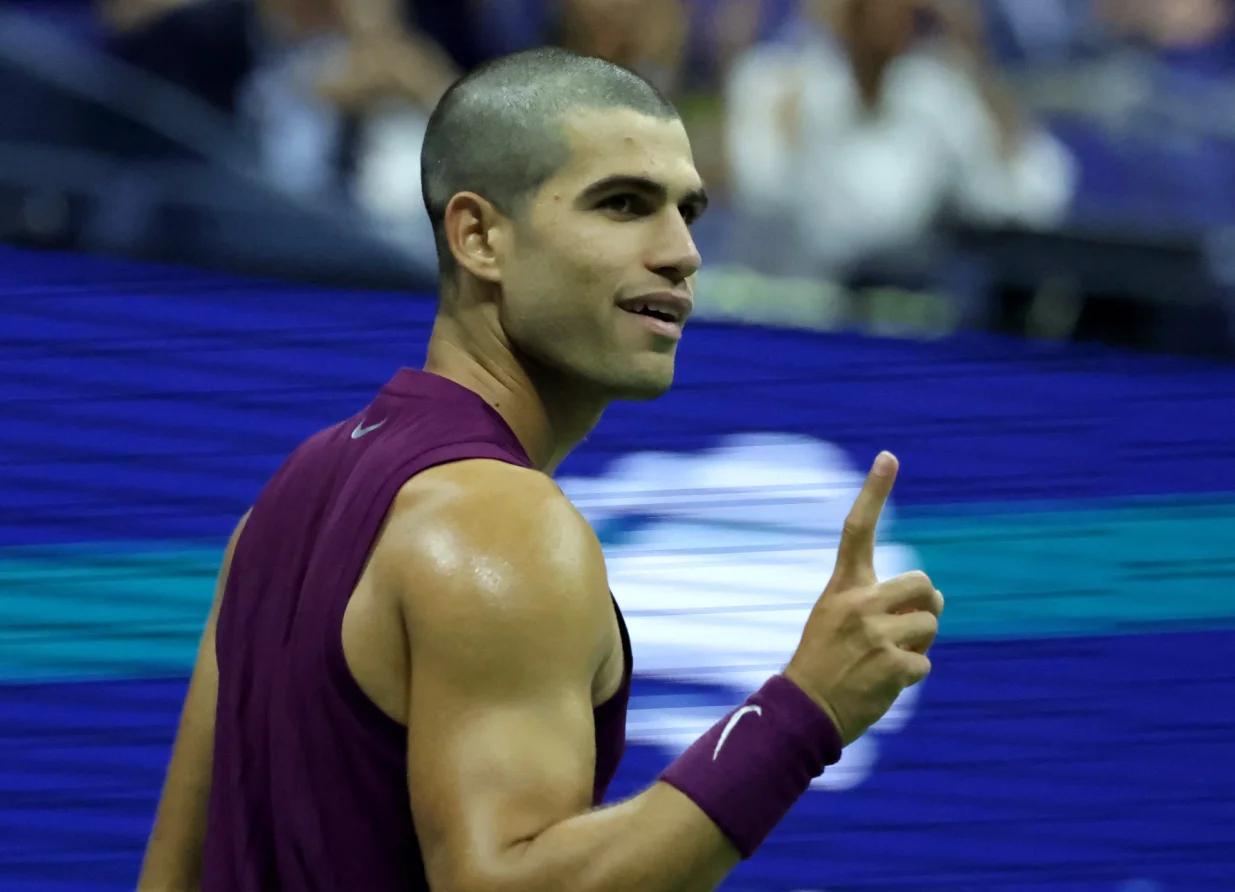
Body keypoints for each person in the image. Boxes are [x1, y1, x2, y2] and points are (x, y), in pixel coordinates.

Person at [137, 46, 944, 892]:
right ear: (479, 237)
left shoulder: (277, 506)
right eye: (624, 204)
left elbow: (169, 880)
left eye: (688, 212)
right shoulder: (501, 523)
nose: (680, 253)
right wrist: (801, 712)